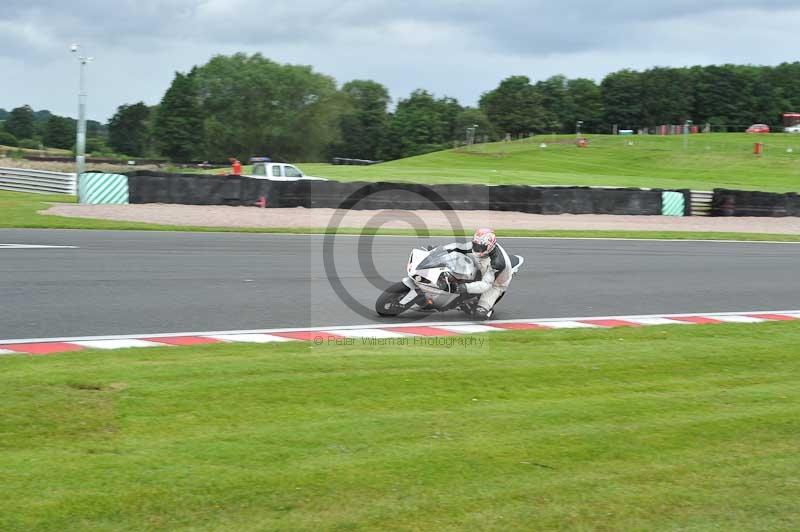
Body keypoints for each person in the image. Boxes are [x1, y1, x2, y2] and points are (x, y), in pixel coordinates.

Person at [443, 228, 514, 320]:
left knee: (479, 315)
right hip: (481, 265)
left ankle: (488, 309)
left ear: (489, 246)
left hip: (495, 284)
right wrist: (439, 249)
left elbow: (485, 285)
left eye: (480, 247)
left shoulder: (497, 263)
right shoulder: (480, 245)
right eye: (475, 245)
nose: (476, 248)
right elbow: (458, 247)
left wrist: (464, 287)